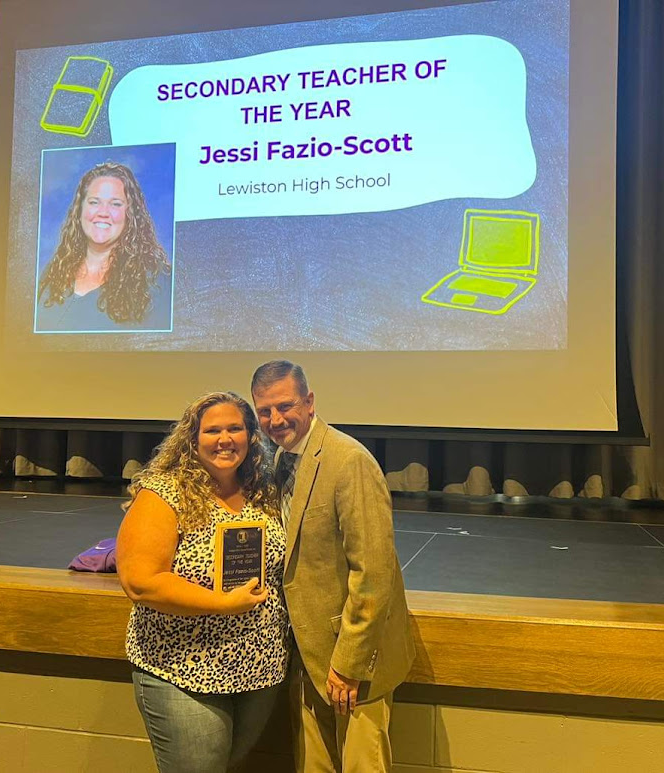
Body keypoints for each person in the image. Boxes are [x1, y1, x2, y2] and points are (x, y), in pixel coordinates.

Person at [251, 360, 415, 773]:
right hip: (306, 657)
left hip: (353, 663)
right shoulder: (276, 461)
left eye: (285, 405)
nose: (276, 419)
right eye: (264, 411)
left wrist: (349, 664)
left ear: (309, 402)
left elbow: (374, 574)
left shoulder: (349, 461)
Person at [116, 392, 289, 773]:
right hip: (182, 669)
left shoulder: (265, 490)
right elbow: (141, 582)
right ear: (192, 440)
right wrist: (223, 603)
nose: (224, 439)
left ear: (250, 436)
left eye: (235, 428)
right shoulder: (164, 492)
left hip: (260, 669)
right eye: (212, 430)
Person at [36, 160, 171, 332]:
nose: (103, 212)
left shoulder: (156, 281)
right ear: (80, 210)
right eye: (94, 202)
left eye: (115, 204)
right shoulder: (54, 271)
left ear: (130, 215)